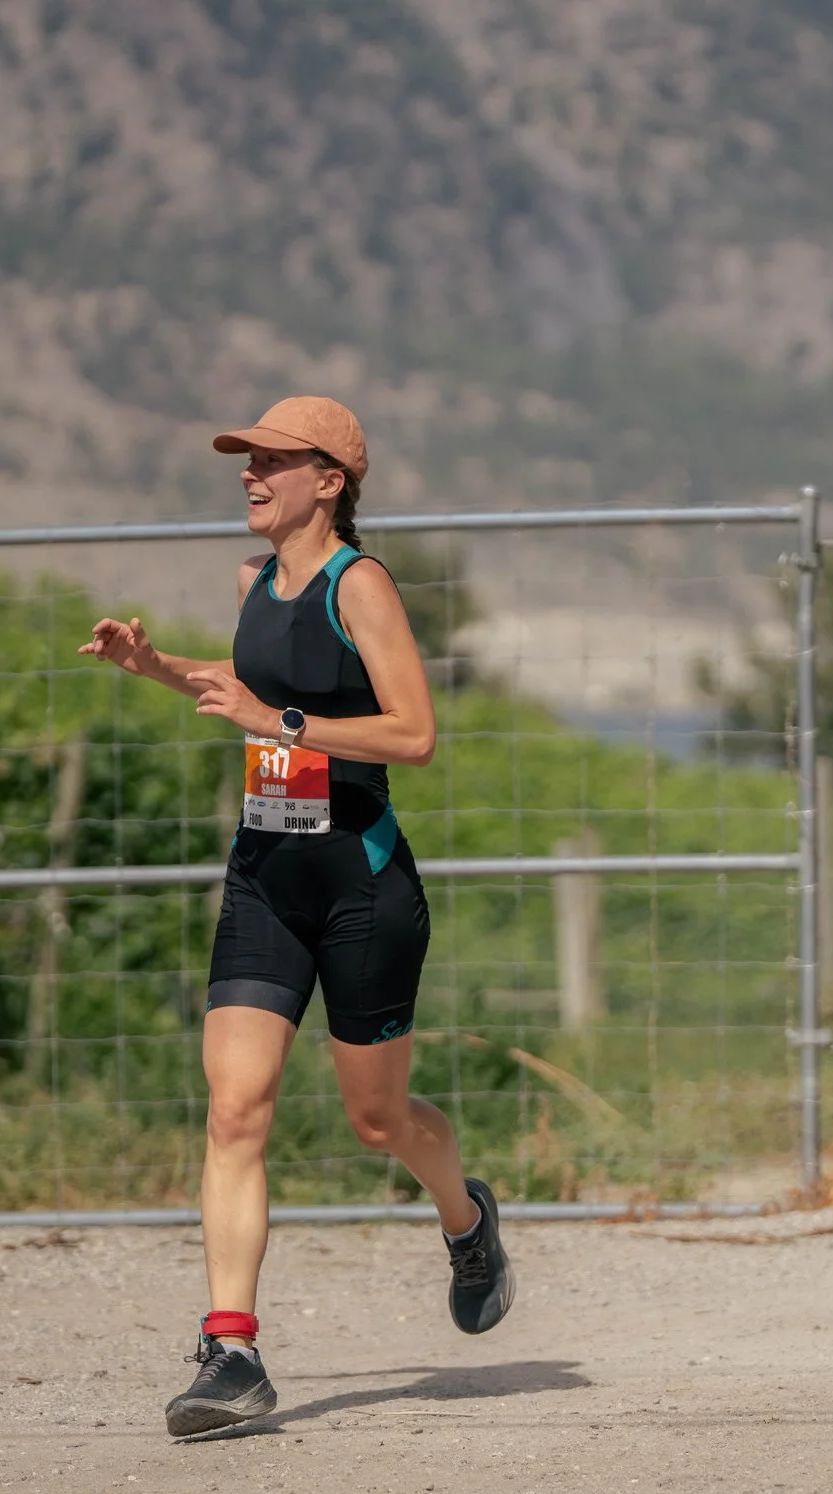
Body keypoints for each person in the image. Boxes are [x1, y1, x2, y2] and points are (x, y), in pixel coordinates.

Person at [79, 395, 516, 1438]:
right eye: (247, 457)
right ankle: (231, 1351)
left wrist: (276, 721)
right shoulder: (252, 580)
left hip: (362, 885)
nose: (250, 472)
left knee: (379, 1121)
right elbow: (246, 681)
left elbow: (412, 733)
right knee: (235, 1107)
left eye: (272, 459)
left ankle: (468, 1220)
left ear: (329, 481)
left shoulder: (359, 584)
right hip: (266, 876)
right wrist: (156, 667)